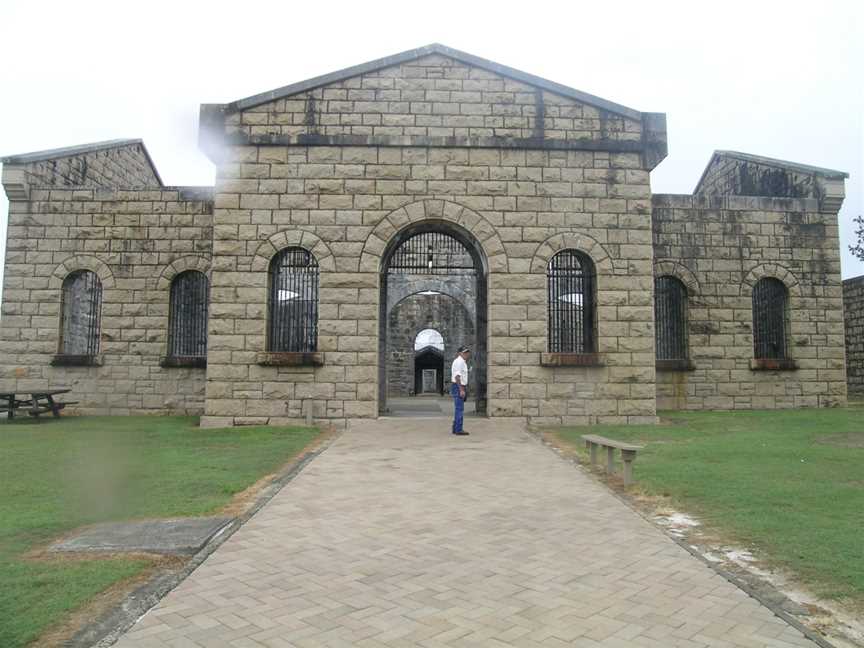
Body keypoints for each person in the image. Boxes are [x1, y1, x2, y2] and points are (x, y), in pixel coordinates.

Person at [450, 346, 470, 435]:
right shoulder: (459, 362)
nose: (466, 354)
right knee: (459, 409)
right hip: (458, 386)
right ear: (459, 353)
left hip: (459, 386)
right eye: (464, 352)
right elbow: (457, 376)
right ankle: (458, 429)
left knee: (458, 408)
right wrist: (461, 389)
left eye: (467, 352)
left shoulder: (462, 362)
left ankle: (455, 428)